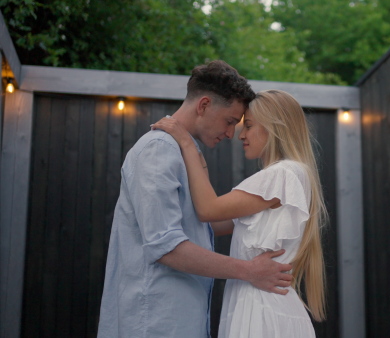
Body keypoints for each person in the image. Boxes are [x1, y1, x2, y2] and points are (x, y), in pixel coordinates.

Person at [97, 61, 293, 338]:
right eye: (229, 121)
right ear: (203, 105)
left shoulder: (182, 153)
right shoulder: (158, 151)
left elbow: (200, 225)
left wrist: (271, 214)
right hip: (152, 322)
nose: (230, 134)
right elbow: (166, 246)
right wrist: (249, 270)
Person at [152, 89, 327, 337]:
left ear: (274, 128)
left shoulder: (282, 174)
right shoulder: (289, 177)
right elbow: (210, 224)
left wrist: (186, 143)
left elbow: (207, 210)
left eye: (249, 126)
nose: (241, 135)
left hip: (262, 311)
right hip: (260, 305)